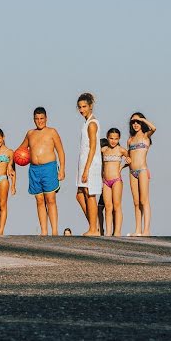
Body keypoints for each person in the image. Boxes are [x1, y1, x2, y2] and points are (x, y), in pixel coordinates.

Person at [17, 107, 65, 235]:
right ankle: (44, 231)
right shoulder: (30, 133)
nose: (39, 121)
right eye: (37, 119)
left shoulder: (52, 132)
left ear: (46, 118)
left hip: (49, 167)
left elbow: (60, 151)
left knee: (50, 199)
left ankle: (54, 231)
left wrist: (62, 170)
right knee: (39, 200)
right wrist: (11, 161)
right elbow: (20, 150)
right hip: (34, 169)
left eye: (42, 118)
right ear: (34, 119)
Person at [75, 93, 101, 236]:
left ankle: (93, 229)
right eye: (79, 107)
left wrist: (86, 169)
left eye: (84, 106)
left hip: (91, 163)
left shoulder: (92, 124)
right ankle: (94, 225)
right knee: (80, 194)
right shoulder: (86, 122)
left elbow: (92, 147)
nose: (81, 109)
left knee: (90, 194)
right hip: (84, 162)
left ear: (90, 106)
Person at [127, 112, 156, 236]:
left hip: (143, 170)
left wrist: (142, 119)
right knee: (136, 201)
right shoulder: (130, 140)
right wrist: (126, 161)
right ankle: (138, 229)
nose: (135, 124)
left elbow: (154, 128)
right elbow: (129, 156)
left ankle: (146, 230)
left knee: (144, 200)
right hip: (132, 172)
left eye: (138, 122)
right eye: (133, 122)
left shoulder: (145, 136)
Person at [100, 128, 131, 236]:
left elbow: (130, 160)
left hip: (116, 180)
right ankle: (108, 232)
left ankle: (117, 232)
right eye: (111, 138)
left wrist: (123, 167)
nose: (113, 141)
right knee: (108, 207)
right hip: (105, 182)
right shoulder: (103, 150)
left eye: (116, 139)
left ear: (119, 139)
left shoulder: (121, 150)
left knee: (117, 206)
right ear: (107, 138)